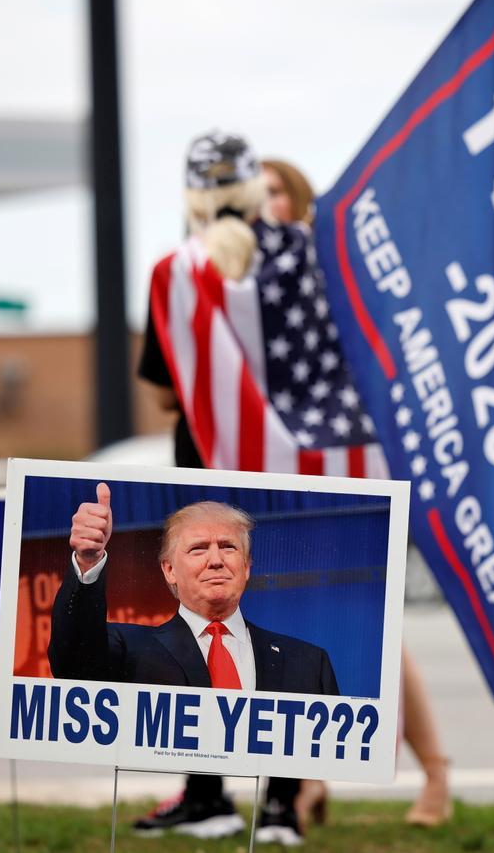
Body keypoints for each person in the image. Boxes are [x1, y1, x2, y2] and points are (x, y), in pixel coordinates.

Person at [132, 131, 323, 845]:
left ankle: (206, 793)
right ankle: (279, 804)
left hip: (205, 463)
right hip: (291, 466)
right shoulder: (306, 256)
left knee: (200, 620)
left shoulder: (175, 273)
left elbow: (162, 393)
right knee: (281, 630)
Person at [262, 156, 453, 829]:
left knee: (376, 631)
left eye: (277, 188)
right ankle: (307, 779)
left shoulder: (332, 269)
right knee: (299, 631)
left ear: (302, 198)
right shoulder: (258, 275)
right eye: (258, 190)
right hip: (291, 470)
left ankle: (436, 773)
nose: (266, 201)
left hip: (354, 463)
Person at [51, 488, 340, 696]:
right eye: (198, 549)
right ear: (169, 570)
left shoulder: (309, 664)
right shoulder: (129, 651)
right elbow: (73, 663)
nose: (216, 560)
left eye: (228, 547)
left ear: (247, 566)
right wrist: (88, 561)